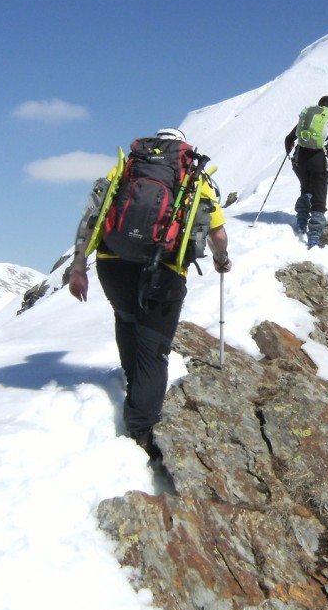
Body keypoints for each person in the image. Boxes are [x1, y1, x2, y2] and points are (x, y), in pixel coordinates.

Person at [67, 128, 232, 459]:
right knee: (154, 350)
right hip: (164, 271)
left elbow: (92, 217)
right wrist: (221, 259)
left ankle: (135, 388)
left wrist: (78, 267)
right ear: (182, 146)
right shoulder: (192, 176)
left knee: (127, 319)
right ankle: (140, 432)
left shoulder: (127, 168)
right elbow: (218, 233)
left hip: (113, 263)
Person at [283, 95, 328, 248]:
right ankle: (314, 234)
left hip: (300, 160)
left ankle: (302, 220)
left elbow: (289, 139)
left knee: (306, 188)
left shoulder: (307, 119)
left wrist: (290, 151)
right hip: (319, 160)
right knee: (319, 196)